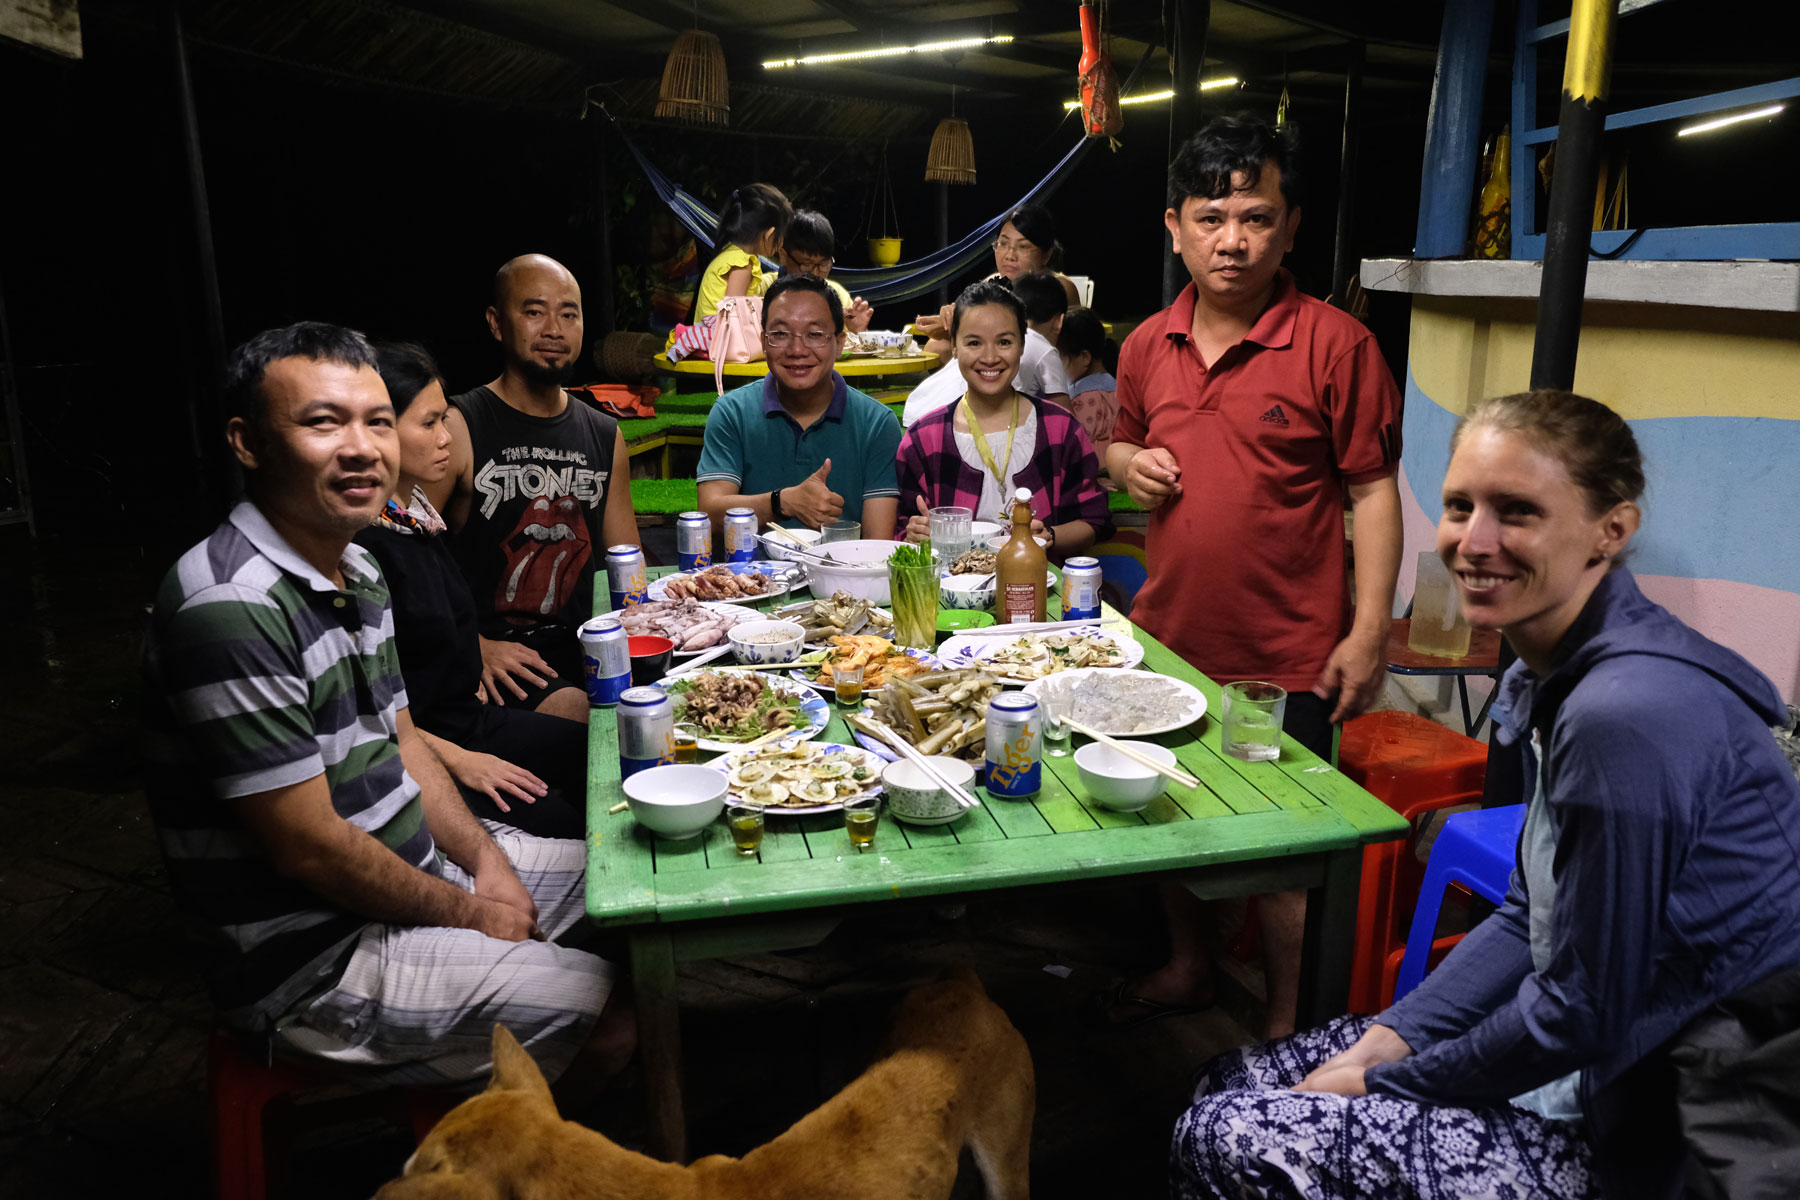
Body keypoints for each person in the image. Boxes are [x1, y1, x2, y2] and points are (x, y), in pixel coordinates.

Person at [1171, 389, 1800, 1200]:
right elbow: (1523, 911)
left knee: (1226, 1135)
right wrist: (1394, 1038)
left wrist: (1393, 1084)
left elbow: (1583, 1013)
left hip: (1656, 1108)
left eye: (1518, 512)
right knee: (1232, 1075)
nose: (1475, 541)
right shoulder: (1560, 666)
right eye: (1460, 506)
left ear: (1613, 529)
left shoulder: (1626, 712)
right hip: (1593, 1041)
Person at [141, 322, 630, 1086]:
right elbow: (308, 848)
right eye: (323, 422)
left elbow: (404, 742)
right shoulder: (230, 603)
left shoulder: (358, 564)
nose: (364, 447)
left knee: (629, 895)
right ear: (245, 442)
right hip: (315, 959)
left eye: (376, 420)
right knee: (604, 1010)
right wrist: (475, 914)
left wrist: (484, 863)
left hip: (416, 873)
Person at [1101, 115, 1403, 1037]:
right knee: (1169, 815)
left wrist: (1367, 631)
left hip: (1284, 657)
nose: (1233, 239)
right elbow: (1121, 439)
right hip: (1169, 643)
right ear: (1175, 226)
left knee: (1281, 850)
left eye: (1257, 217)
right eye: (1212, 217)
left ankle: (1282, 1025)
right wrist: (1126, 466)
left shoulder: (1337, 345)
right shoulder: (1148, 343)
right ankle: (1192, 966)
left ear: (1291, 225)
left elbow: (1375, 492)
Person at [354, 342, 587, 840]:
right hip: (433, 750)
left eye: (445, 420)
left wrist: (468, 661)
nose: (446, 438)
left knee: (603, 753)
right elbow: (375, 718)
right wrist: (463, 763)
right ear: (379, 428)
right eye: (429, 423)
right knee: (570, 829)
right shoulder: (365, 547)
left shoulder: (414, 515)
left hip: (470, 721)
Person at [438, 253, 639, 712]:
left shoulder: (605, 435)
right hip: (494, 660)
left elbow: (629, 568)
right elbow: (406, 562)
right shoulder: (458, 425)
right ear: (496, 323)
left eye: (569, 314)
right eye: (534, 312)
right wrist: (472, 644)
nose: (554, 329)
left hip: (585, 648)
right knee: (589, 722)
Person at [896, 279, 1108, 560]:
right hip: (951, 600)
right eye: (973, 342)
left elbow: (1092, 521)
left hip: (1036, 593)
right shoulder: (924, 439)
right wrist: (913, 535)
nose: (990, 357)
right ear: (954, 347)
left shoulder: (1060, 429)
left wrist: (1050, 536)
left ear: (1022, 346)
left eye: (1005, 342)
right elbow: (900, 531)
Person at [696, 274, 902, 537]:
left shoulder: (876, 423)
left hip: (843, 574)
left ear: (839, 344)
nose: (797, 349)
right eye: (780, 334)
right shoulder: (732, 412)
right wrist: (783, 502)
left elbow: (877, 544)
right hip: (747, 576)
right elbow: (709, 515)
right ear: (763, 342)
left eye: (814, 334)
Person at [901, 271, 1072, 427]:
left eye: (1004, 343)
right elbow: (1065, 421)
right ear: (1059, 321)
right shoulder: (1045, 351)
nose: (990, 358)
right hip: (943, 425)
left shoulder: (979, 333)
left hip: (916, 411)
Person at [913, 203, 1081, 360]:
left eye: (1023, 247)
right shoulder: (992, 282)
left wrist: (959, 327)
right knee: (937, 345)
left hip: (1035, 367)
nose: (1009, 255)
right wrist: (949, 317)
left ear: (1047, 255)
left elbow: (1024, 341)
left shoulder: (1059, 288)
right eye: (1003, 244)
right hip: (994, 357)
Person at [667, 181, 794, 350]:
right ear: (770, 234)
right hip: (722, 346)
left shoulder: (730, 253)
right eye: (782, 235)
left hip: (716, 341)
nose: (783, 242)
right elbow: (734, 317)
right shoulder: (742, 265)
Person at [779, 209, 872, 333]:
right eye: (807, 265)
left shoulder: (837, 295)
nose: (816, 274)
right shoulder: (761, 288)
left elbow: (854, 348)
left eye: (823, 264)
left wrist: (859, 331)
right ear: (783, 256)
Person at [1054, 307, 1120, 475]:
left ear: (1084, 357)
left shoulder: (1084, 401)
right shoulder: (1118, 389)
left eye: (1058, 358)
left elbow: (1076, 453)